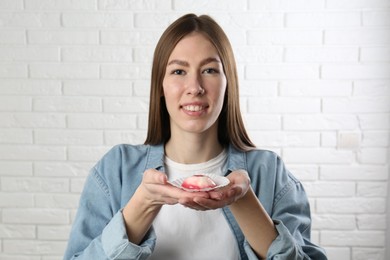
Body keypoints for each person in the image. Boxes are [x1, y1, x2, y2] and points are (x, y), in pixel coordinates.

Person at [63, 13, 328, 260]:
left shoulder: (269, 172)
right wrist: (142, 204)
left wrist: (244, 200)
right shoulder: (115, 170)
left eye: (210, 70)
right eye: (179, 71)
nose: (195, 88)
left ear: (228, 83)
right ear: (161, 85)